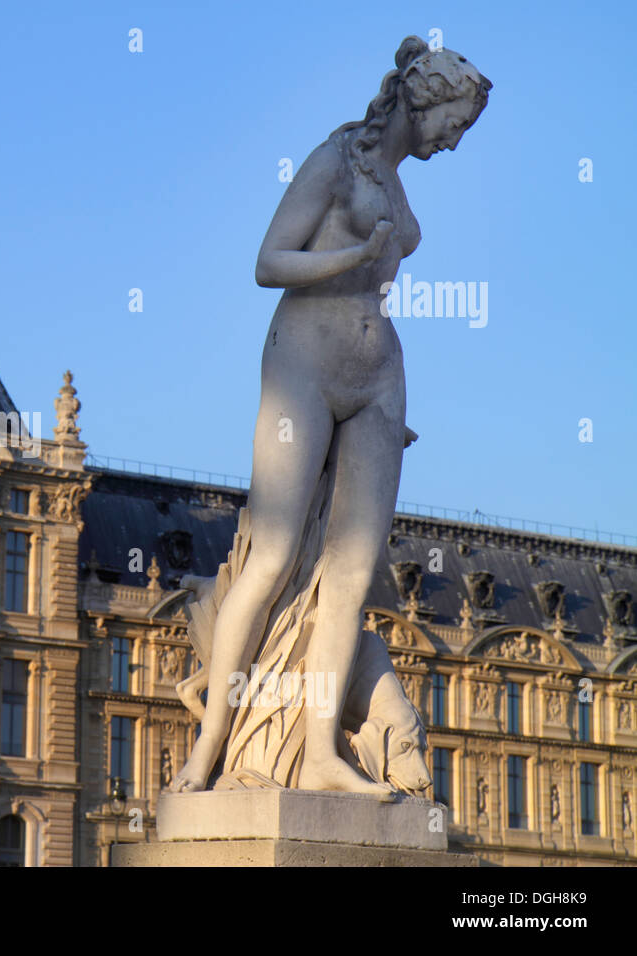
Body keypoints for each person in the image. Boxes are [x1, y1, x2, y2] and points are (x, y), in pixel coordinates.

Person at [171, 37, 491, 794]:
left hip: (379, 376)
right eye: (454, 121)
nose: (453, 140)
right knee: (274, 557)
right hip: (303, 366)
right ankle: (209, 745)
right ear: (426, 100)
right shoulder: (336, 160)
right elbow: (268, 262)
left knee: (350, 576)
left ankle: (319, 754)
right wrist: (351, 259)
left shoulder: (396, 182)